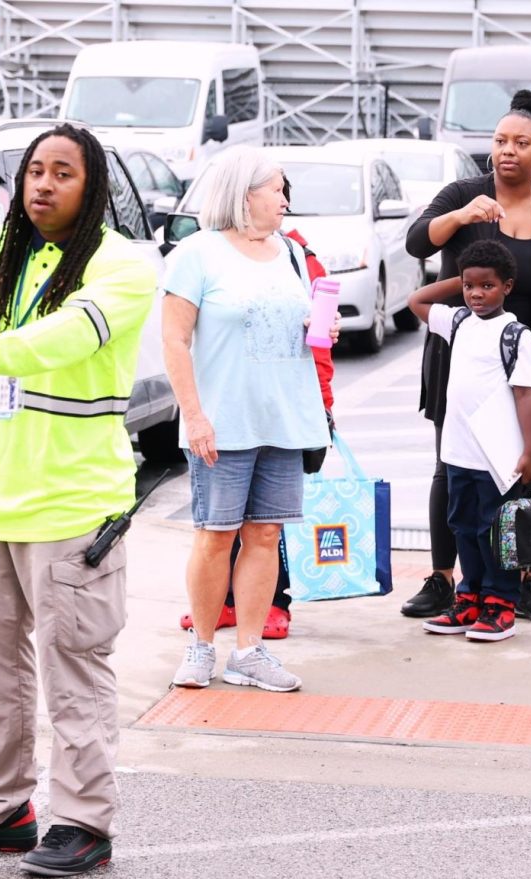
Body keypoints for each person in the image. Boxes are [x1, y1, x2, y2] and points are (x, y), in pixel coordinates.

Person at [0, 123, 157, 876]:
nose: (43, 184)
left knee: (73, 669)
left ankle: (83, 819)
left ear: (93, 188)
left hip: (76, 505)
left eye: (62, 173)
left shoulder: (123, 266)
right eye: (33, 172)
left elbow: (65, 338)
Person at [403, 88, 531, 625]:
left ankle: (521, 582)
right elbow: (419, 243)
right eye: (499, 141)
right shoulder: (464, 193)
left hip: (527, 360)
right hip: (462, 355)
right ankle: (446, 579)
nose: (507, 150)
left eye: (521, 142)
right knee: (453, 468)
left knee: (523, 473)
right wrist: (463, 216)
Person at [163, 146, 331, 693]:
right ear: (245, 194)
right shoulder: (197, 253)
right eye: (277, 189)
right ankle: (201, 648)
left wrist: (320, 331)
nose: (285, 200)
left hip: (283, 418)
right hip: (223, 421)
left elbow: (300, 331)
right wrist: (194, 416)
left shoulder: (289, 253)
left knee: (264, 535)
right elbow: (174, 338)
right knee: (215, 535)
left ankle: (250, 652)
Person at [407, 239, 531, 642]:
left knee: (495, 531)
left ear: (508, 287)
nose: (477, 294)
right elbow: (417, 299)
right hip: (458, 452)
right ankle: (470, 599)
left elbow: (526, 395)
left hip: (497, 457)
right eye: (470, 286)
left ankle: (501, 604)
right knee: (463, 526)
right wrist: (462, 276)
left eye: (487, 286)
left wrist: (529, 451)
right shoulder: (459, 321)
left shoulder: (516, 335)